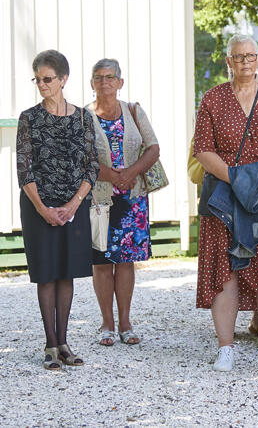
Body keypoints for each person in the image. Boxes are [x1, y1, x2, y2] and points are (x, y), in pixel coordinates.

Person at [194, 34, 258, 372]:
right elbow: (203, 150)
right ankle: (226, 348)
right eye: (238, 57)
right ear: (228, 61)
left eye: (250, 56)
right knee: (226, 274)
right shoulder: (212, 99)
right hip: (223, 199)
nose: (245, 62)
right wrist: (238, 180)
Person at [17, 49, 100, 369]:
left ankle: (64, 342)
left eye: (48, 79)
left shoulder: (83, 117)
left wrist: (73, 204)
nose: (42, 84)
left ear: (64, 79)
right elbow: (24, 169)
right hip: (39, 205)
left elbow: (92, 167)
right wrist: (43, 208)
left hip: (74, 207)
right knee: (47, 275)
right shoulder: (29, 118)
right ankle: (50, 345)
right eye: (37, 79)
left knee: (67, 274)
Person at [87, 58, 160, 347]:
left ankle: (126, 323)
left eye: (109, 77)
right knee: (102, 262)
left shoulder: (133, 111)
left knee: (126, 262)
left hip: (131, 197)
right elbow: (81, 157)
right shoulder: (82, 116)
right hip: (97, 198)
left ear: (120, 82)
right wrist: (110, 175)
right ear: (92, 83)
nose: (104, 82)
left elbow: (153, 147)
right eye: (98, 77)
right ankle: (107, 323)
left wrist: (131, 172)